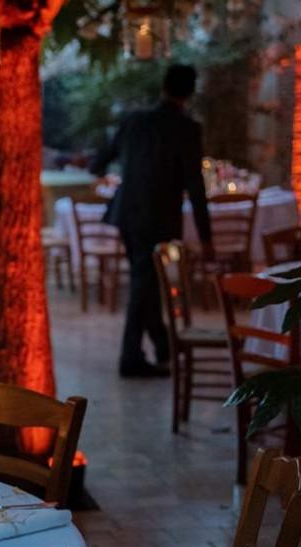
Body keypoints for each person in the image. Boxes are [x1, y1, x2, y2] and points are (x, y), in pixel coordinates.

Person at [91, 63, 214, 378]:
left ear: (164, 86)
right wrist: (205, 236)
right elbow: (195, 185)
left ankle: (161, 345)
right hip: (157, 217)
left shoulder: (134, 120)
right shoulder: (186, 128)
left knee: (144, 281)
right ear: (190, 92)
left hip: (126, 214)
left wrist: (121, 172)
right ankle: (130, 357)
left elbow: (98, 162)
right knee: (143, 284)